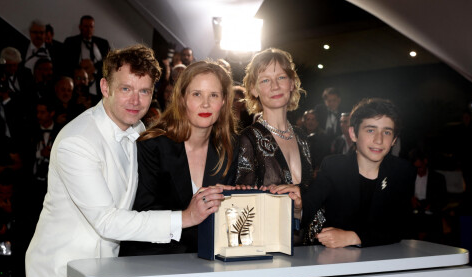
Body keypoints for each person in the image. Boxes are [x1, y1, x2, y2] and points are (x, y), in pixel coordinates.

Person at [25, 45, 224, 277]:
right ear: (105, 87)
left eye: (144, 91)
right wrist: (184, 217)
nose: (135, 100)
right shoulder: (77, 141)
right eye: (126, 89)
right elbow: (106, 221)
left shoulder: (139, 131)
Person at [119, 60, 238, 257]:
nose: (206, 103)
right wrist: (190, 215)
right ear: (182, 99)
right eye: (197, 94)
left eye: (214, 95)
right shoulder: (152, 146)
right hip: (154, 262)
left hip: (209, 262)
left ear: (224, 101)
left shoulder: (229, 147)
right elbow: (141, 215)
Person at [274, 98, 415, 248]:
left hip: (388, 260)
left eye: (387, 132)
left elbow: (403, 227)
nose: (378, 140)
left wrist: (355, 237)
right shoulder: (335, 167)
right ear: (353, 133)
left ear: (394, 140)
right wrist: (298, 208)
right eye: (370, 130)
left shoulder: (402, 171)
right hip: (337, 260)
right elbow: (308, 207)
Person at [235, 48, 313, 192]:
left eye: (281, 77)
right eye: (265, 80)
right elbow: (244, 205)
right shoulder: (248, 140)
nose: (275, 86)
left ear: (292, 83)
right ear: (254, 89)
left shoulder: (302, 136)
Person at [408, 148, 447, 242]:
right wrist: (410, 200)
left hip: (432, 219)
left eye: (420, 167)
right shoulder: (407, 177)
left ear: (425, 161)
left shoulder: (438, 178)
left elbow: (444, 200)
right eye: (415, 168)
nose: (418, 171)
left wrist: (432, 205)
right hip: (413, 219)